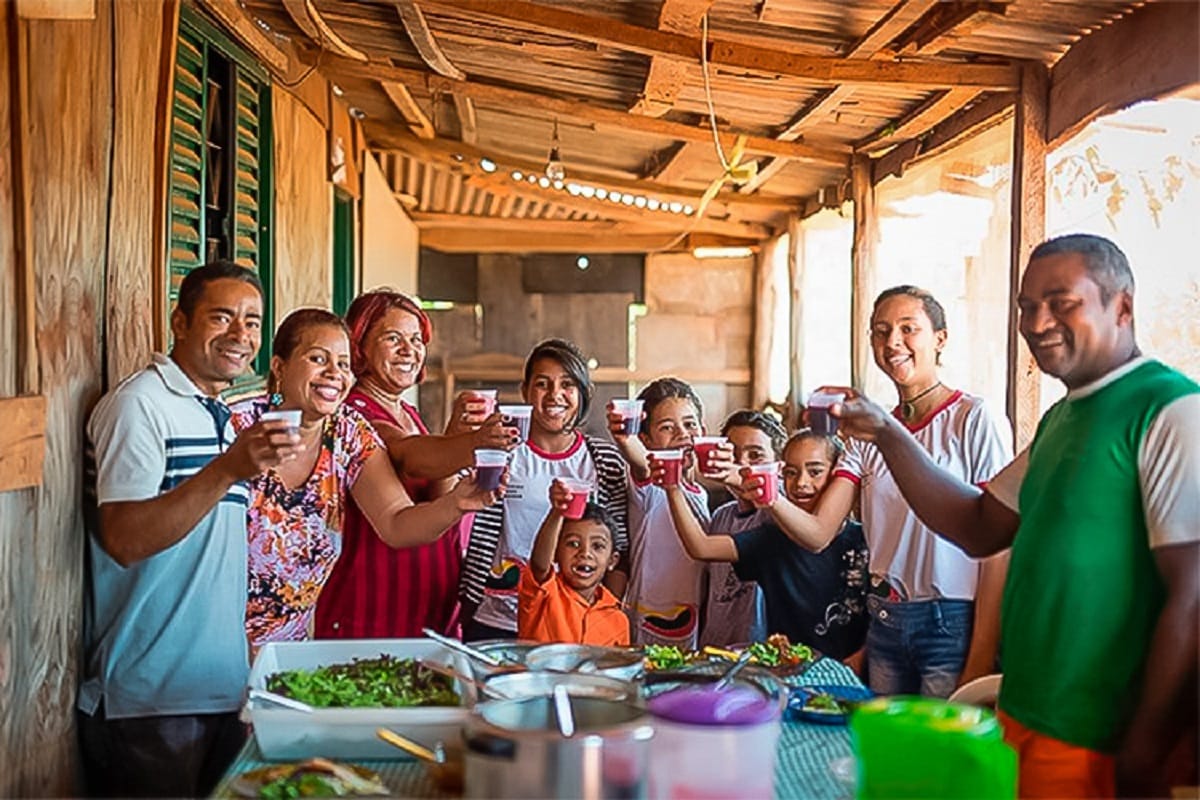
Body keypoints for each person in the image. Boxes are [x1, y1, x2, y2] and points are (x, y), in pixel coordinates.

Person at [830, 234, 1199, 798]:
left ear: (1122, 307)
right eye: (1027, 306)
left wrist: (1145, 751)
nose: (1037, 321)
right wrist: (886, 431)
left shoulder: (1169, 409)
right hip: (1030, 715)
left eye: (1062, 302)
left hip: (1103, 736)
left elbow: (1193, 595)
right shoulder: (1062, 420)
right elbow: (979, 525)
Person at [80, 261, 303, 797]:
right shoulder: (139, 406)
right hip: (149, 701)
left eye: (252, 322)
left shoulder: (219, 413)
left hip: (219, 692)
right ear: (179, 322)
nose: (240, 335)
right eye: (221, 317)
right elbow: (125, 540)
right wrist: (227, 468)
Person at [744, 285, 1012, 698]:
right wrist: (765, 490)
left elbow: (997, 549)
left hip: (951, 621)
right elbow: (818, 533)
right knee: (885, 754)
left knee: (936, 754)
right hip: (884, 620)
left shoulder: (973, 418)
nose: (893, 343)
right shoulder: (867, 432)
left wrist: (979, 660)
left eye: (909, 329)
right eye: (880, 331)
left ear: (940, 339)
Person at [231, 308, 501, 649]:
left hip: (286, 648)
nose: (333, 374)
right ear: (279, 367)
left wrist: (458, 503)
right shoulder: (236, 428)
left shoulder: (346, 432)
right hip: (212, 639)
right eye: (318, 358)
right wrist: (471, 444)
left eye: (343, 364)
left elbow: (397, 523)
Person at [315, 291, 514, 640]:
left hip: (426, 607)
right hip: (374, 607)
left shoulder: (406, 412)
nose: (409, 350)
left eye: (416, 339)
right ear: (360, 344)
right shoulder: (353, 413)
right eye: (393, 338)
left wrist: (455, 439)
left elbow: (436, 495)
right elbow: (408, 456)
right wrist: (472, 443)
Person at [461, 338, 629, 642]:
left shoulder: (605, 461)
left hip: (566, 626)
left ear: (584, 394)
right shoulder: (501, 452)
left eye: (567, 384)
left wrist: (600, 617)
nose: (555, 395)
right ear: (525, 391)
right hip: (495, 617)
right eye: (542, 384)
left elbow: (620, 547)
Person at [663, 429, 870, 660]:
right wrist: (672, 489)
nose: (801, 482)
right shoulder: (771, 539)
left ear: (837, 477)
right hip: (788, 666)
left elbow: (881, 614)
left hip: (853, 668)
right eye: (791, 473)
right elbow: (700, 547)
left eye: (815, 472)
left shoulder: (865, 539)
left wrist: (862, 656)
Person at [608, 377, 711, 649]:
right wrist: (625, 439)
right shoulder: (651, 486)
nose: (682, 434)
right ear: (646, 440)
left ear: (703, 430)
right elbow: (642, 462)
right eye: (667, 427)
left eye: (690, 424)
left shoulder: (702, 494)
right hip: (650, 627)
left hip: (694, 626)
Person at [693, 409, 786, 647]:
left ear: (779, 466)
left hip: (760, 652)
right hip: (715, 649)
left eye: (755, 455)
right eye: (732, 455)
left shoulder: (779, 514)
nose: (742, 464)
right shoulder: (721, 517)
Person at [518, 482, 630, 646]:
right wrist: (557, 513)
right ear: (555, 553)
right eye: (573, 544)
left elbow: (618, 669)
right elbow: (540, 565)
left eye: (597, 546)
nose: (585, 553)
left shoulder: (618, 620)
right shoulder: (544, 594)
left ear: (612, 561)